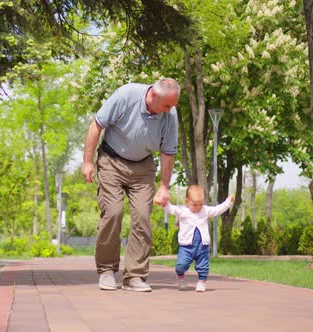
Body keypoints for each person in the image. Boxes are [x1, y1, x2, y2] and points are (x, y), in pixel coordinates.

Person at [82, 78, 180, 292]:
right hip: (111, 161)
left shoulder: (170, 113)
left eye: (173, 106)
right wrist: (87, 162)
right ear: (154, 95)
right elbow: (96, 126)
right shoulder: (126, 95)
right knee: (113, 212)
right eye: (166, 105)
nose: (169, 110)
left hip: (143, 167)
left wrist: (164, 187)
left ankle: (135, 276)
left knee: (143, 217)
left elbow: (168, 153)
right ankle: (107, 270)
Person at [162, 185, 234, 292]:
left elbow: (217, 210)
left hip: (202, 247)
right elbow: (171, 209)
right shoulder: (183, 211)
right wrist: (163, 202)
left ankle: (201, 282)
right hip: (186, 248)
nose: (198, 207)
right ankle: (181, 277)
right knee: (180, 266)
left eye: (200, 204)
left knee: (203, 266)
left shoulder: (205, 210)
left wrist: (228, 202)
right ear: (187, 200)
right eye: (194, 204)